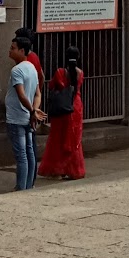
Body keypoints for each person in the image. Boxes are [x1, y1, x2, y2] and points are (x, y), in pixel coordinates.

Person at [39, 46, 85, 181]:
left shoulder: (60, 72)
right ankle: (73, 170)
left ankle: (57, 170)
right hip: (75, 106)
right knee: (74, 139)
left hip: (61, 108)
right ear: (78, 58)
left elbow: (52, 85)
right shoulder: (80, 73)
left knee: (58, 137)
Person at [5, 35, 43, 191]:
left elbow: (21, 95)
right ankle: (29, 185)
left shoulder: (17, 70)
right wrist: (34, 110)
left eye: (13, 48)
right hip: (27, 117)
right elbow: (37, 94)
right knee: (29, 152)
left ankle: (22, 187)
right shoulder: (32, 68)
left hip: (17, 117)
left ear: (22, 50)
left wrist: (33, 110)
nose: (10, 51)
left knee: (22, 154)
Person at [14, 28, 45, 183]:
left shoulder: (25, 63)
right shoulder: (34, 59)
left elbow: (22, 93)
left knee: (25, 150)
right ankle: (29, 181)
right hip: (31, 107)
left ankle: (25, 183)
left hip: (25, 110)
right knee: (30, 148)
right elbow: (42, 79)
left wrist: (33, 108)